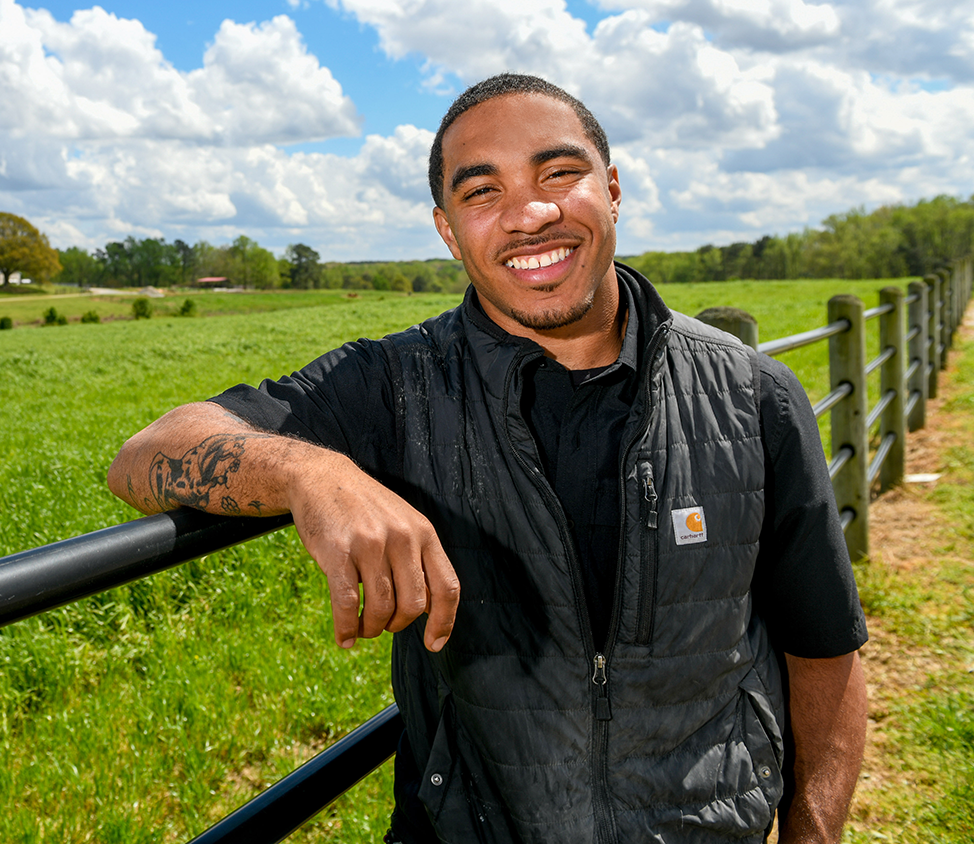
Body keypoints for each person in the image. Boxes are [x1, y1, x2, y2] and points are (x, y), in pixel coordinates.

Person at [107, 74, 867, 843]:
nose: (531, 215)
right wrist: (312, 473)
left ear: (613, 189)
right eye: (482, 193)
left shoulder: (753, 395)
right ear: (447, 230)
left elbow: (823, 644)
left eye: (559, 175)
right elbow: (146, 453)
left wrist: (811, 833)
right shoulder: (394, 386)